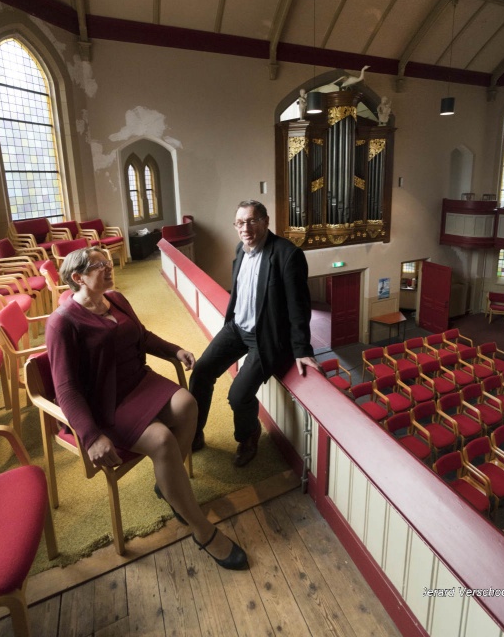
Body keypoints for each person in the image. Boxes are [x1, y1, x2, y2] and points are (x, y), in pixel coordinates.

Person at [45, 247, 247, 571]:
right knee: (162, 439)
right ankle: (202, 529)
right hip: (106, 402)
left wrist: (174, 349)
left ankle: (167, 483)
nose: (108, 267)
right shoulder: (62, 323)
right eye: (99, 265)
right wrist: (90, 436)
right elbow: (65, 389)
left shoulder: (116, 298)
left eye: (108, 262)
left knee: (188, 404)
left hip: (139, 381)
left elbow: (142, 335)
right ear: (77, 277)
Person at [189, 200, 321, 467]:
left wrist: (302, 349)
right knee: (202, 371)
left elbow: (299, 307)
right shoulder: (240, 249)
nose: (245, 228)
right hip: (237, 328)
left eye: (251, 221)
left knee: (238, 396)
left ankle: (248, 437)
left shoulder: (287, 255)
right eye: (239, 223)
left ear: (265, 221)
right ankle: (194, 433)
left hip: (266, 337)